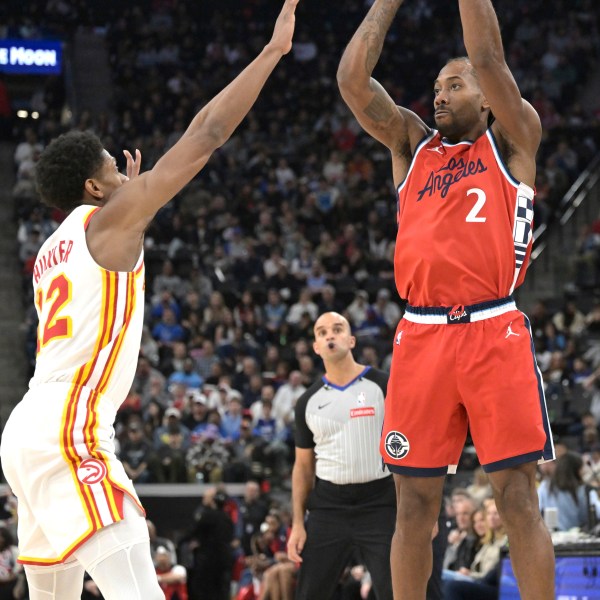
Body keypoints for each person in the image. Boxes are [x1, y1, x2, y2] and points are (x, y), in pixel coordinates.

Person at [0, 2, 300, 598]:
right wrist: (272, 53)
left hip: (27, 431)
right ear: (93, 187)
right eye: (113, 167)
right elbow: (206, 134)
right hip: (70, 426)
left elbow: (101, 274)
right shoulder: (109, 221)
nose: (124, 171)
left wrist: (127, 200)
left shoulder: (49, 249)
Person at [337, 1, 555, 598]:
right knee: (412, 505)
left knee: (516, 496)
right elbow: (352, 82)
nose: (438, 95)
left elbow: (487, 55)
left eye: (453, 86)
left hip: (493, 329)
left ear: (487, 98)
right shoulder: (412, 144)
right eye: (435, 86)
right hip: (422, 334)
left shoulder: (514, 137)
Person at [286, 312, 395, 600]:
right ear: (316, 347)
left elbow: (411, 447)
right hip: (329, 507)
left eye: (337, 329)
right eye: (322, 333)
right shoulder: (307, 402)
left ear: (351, 339)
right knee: (309, 593)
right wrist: (298, 523)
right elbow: (303, 469)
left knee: (397, 591)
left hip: (381, 504)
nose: (330, 335)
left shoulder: (384, 385)